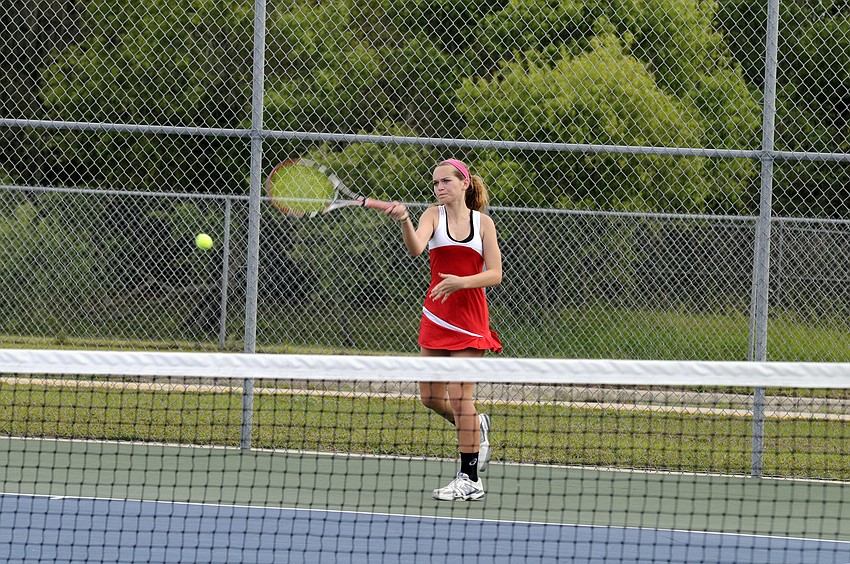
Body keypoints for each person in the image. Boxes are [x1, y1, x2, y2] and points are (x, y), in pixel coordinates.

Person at [385, 158, 503, 501]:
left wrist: (461, 282)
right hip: (436, 316)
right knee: (431, 398)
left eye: (445, 182)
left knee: (459, 395)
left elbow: (495, 274)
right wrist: (405, 220)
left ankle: (470, 479)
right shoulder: (431, 215)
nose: (439, 188)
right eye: (435, 183)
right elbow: (416, 248)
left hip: (469, 319)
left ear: (464, 183)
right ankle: (476, 425)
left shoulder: (484, 224)